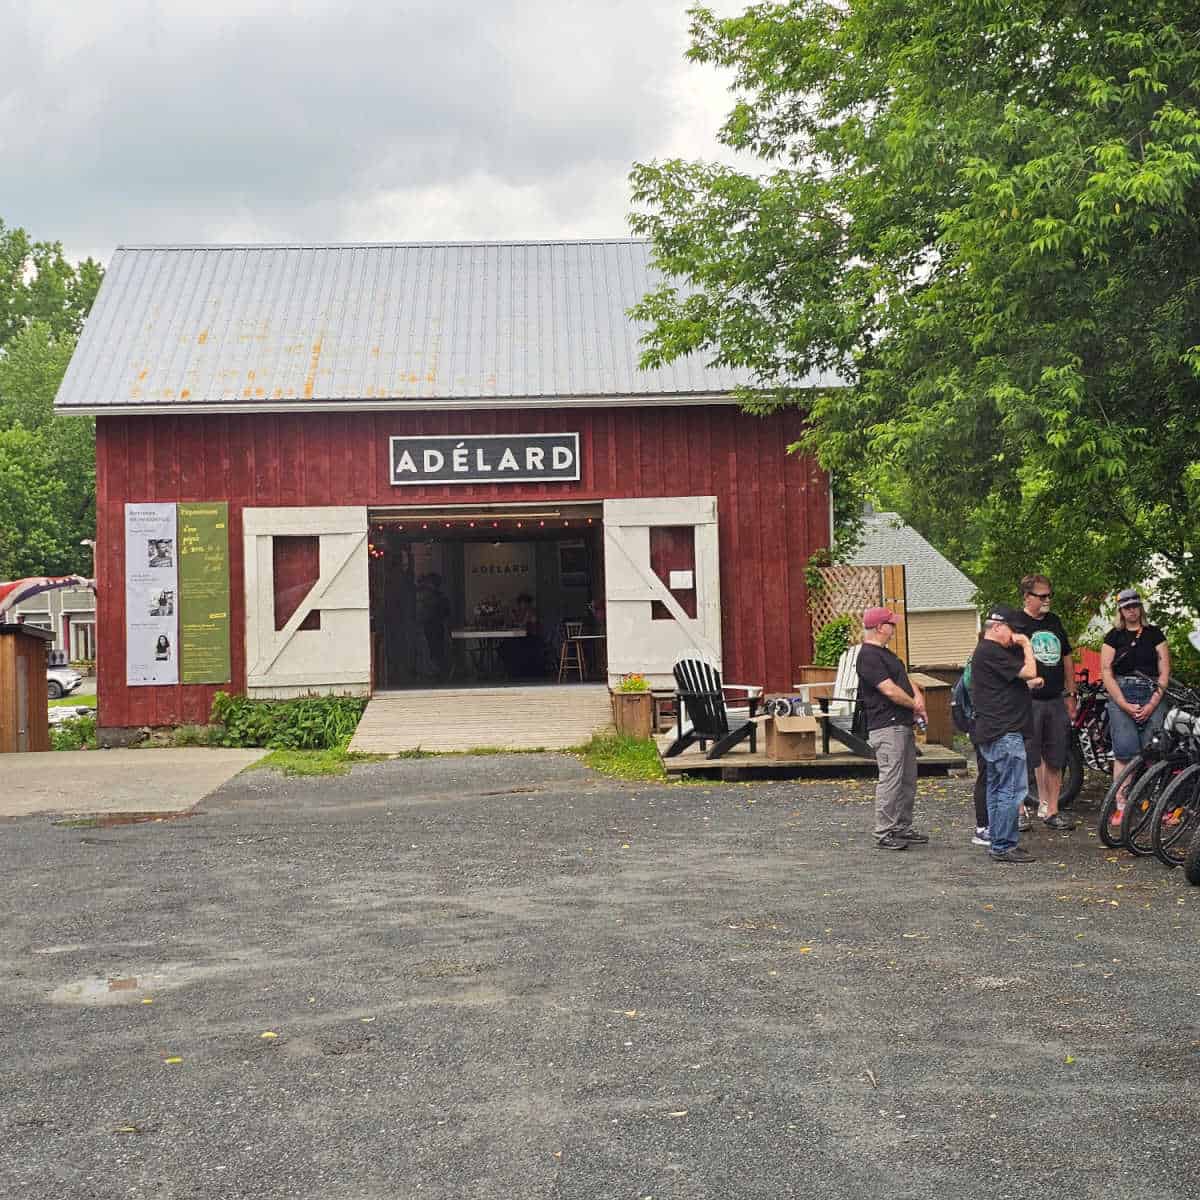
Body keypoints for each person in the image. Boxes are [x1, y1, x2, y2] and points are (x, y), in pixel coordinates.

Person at [970, 605, 1038, 863]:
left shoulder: (987, 652)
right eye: (1013, 630)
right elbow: (1030, 671)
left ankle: (998, 841)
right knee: (1011, 789)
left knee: (997, 788)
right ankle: (1004, 844)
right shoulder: (991, 650)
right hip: (1004, 731)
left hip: (994, 730)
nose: (1016, 636)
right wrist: (1027, 645)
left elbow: (1014, 681)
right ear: (997, 627)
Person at [856, 606, 928, 850]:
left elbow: (905, 679)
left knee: (908, 779)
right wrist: (914, 705)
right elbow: (888, 690)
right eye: (891, 624)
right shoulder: (868, 656)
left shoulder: (888, 655)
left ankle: (901, 827)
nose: (894, 628)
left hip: (902, 724)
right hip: (886, 726)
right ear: (879, 627)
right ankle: (884, 832)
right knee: (891, 779)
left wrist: (917, 699)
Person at [1010, 574, 1076, 831]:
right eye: (1042, 596)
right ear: (1027, 597)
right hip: (1027, 702)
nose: (1047, 600)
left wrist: (1071, 694)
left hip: (1055, 699)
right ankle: (1018, 811)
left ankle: (1052, 809)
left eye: (1050, 595)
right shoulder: (1015, 623)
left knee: (1056, 755)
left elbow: (1067, 657)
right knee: (1022, 756)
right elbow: (1005, 660)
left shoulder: (1054, 621)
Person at [1100, 588, 1171, 824]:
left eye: (1135, 605)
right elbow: (1106, 671)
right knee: (1124, 752)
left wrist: (1153, 703)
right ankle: (1120, 804)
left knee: (1155, 750)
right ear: (1120, 610)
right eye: (1126, 607)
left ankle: (1155, 803)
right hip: (1122, 691)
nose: (1131, 610)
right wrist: (1123, 703)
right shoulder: (1113, 637)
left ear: (1141, 607)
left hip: (1151, 691)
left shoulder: (1155, 634)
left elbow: (1164, 671)